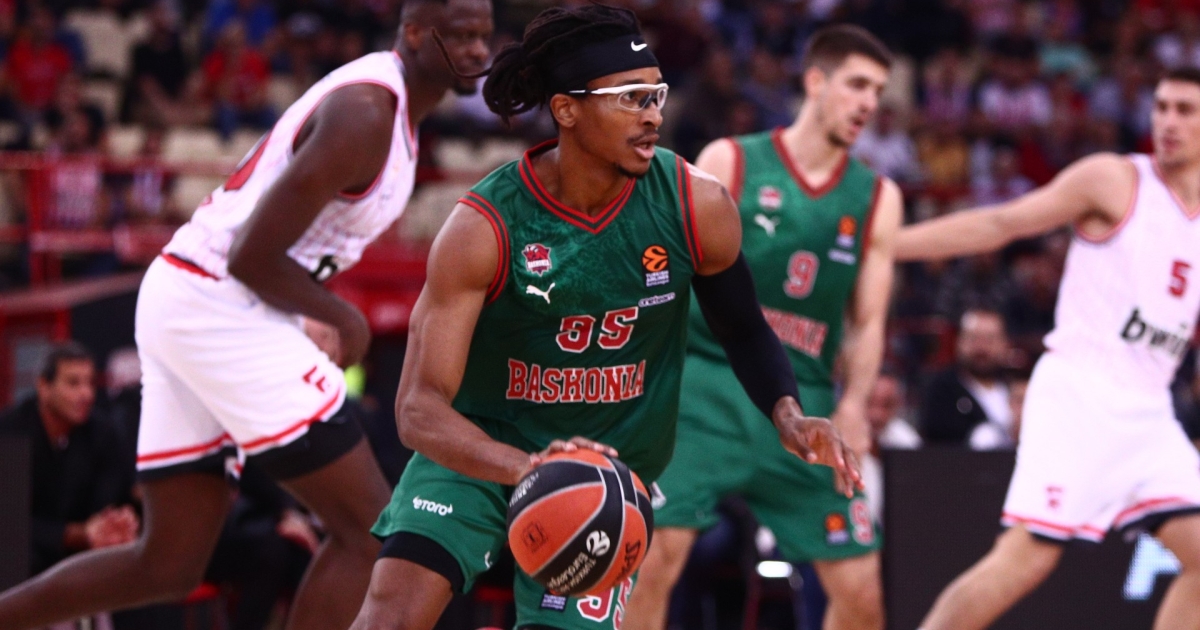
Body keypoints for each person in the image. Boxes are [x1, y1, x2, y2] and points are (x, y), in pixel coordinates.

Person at [348, 6, 858, 630]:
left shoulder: (696, 205)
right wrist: (530, 470)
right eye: (631, 98)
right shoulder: (485, 225)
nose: (653, 115)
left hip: (606, 479)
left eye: (657, 96)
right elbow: (417, 409)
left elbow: (744, 327)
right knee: (392, 616)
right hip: (479, 453)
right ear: (567, 110)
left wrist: (788, 413)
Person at [0, 2, 494, 629]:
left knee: (167, 563)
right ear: (416, 33)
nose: (479, 51)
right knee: (374, 532)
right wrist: (341, 316)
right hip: (221, 304)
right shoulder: (367, 112)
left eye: (485, 35)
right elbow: (251, 256)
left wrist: (310, 309)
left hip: (191, 297)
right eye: (462, 35)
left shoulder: (390, 113)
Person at [897, 66, 1200, 630]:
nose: (1168, 121)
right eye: (1162, 107)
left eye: (1186, 110)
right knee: (1024, 561)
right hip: (1080, 395)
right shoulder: (1114, 179)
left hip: (1150, 411)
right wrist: (889, 244)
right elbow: (1002, 222)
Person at [627, 25, 902, 630]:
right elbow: (667, 278)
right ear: (816, 82)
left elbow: (868, 321)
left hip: (807, 405)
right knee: (652, 559)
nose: (868, 103)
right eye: (857, 85)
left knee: (862, 591)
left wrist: (856, 404)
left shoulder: (878, 197)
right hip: (703, 390)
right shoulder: (730, 160)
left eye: (878, 91)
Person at [0, 342, 138, 577]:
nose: (87, 394)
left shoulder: (102, 431)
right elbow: (10, 524)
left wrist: (118, 521)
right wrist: (77, 534)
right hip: (24, 559)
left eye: (90, 383)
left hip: (84, 557)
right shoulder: (11, 432)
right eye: (74, 383)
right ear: (44, 387)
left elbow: (115, 496)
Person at [918, 308, 1013, 445]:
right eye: (973, 338)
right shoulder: (941, 390)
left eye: (990, 339)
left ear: (1005, 343)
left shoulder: (1016, 387)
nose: (981, 347)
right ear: (959, 341)